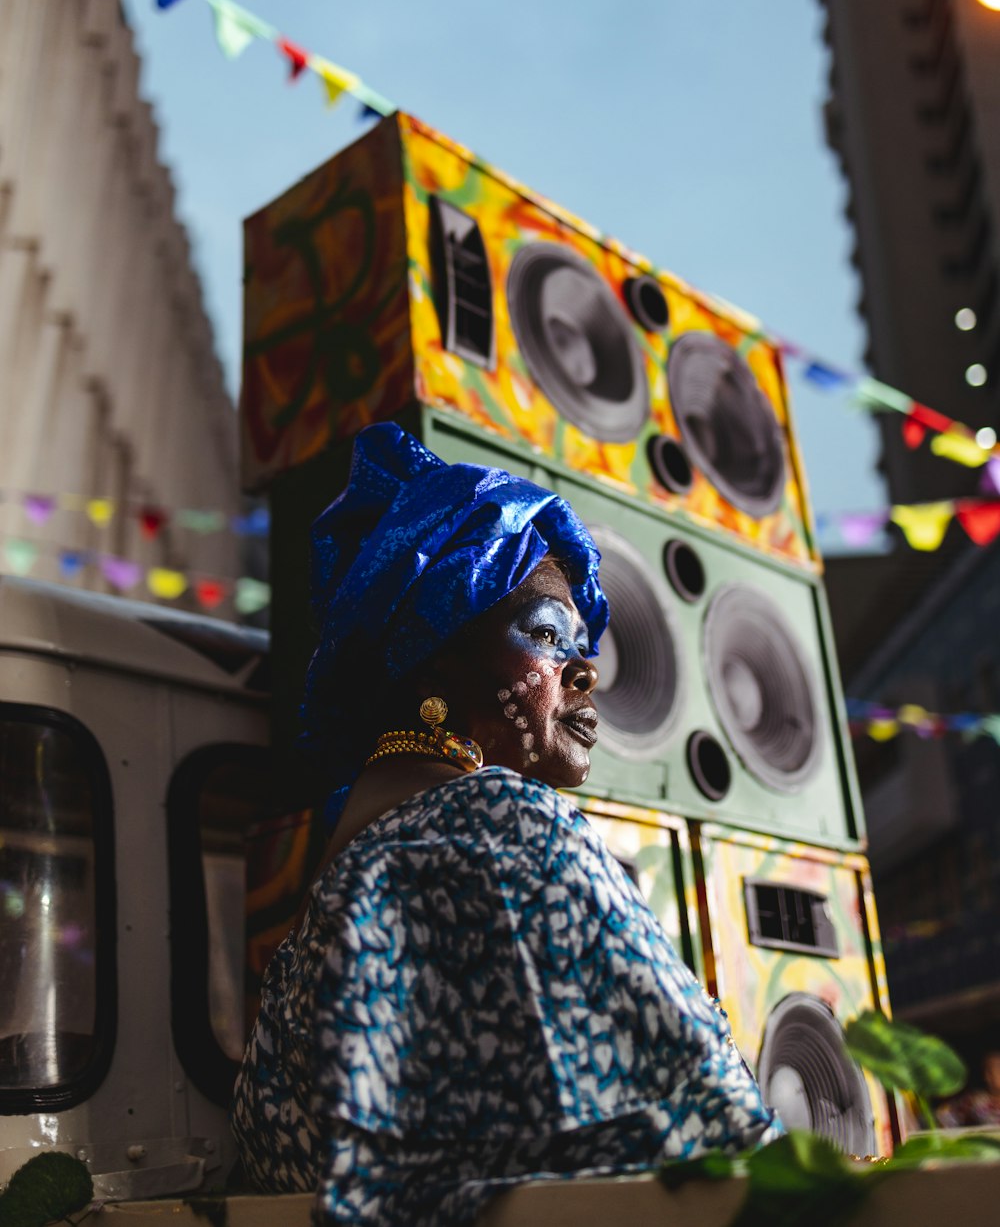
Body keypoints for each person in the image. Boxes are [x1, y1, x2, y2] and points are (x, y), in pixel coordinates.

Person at [232, 422, 781, 1224]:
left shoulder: (324, 907)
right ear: (437, 652)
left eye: (582, 645)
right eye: (550, 637)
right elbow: (719, 1128)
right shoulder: (503, 825)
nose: (586, 670)